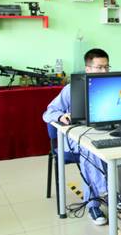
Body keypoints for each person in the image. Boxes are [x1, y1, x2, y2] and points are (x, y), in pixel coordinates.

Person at [43, 48, 110, 225]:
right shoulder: (72, 89)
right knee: (90, 150)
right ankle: (96, 202)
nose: (104, 71)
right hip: (75, 139)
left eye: (106, 67)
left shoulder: (112, 86)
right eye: (99, 67)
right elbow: (48, 112)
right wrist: (60, 116)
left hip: (105, 133)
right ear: (88, 69)